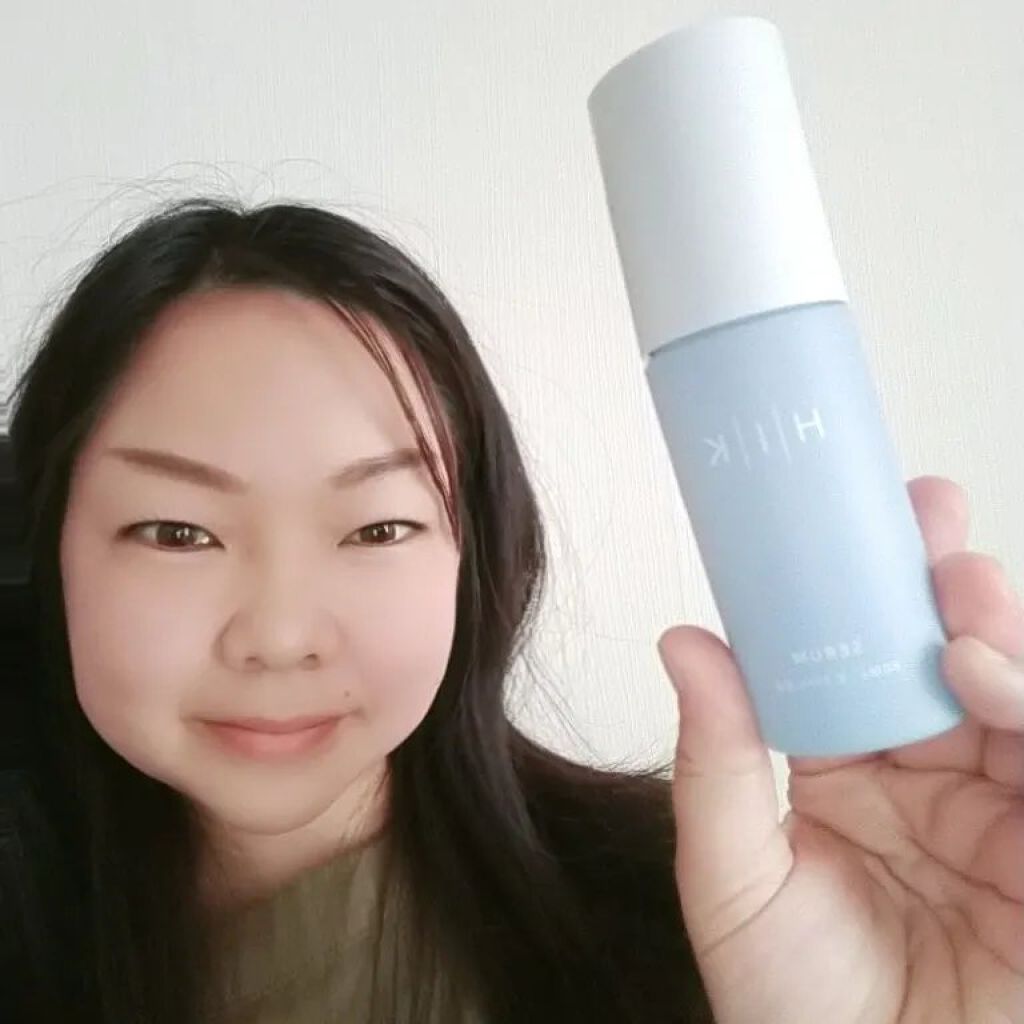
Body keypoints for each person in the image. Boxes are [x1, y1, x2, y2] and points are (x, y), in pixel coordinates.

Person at [1, 198, 1019, 1024]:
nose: (278, 636)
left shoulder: (706, 924)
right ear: (44, 547)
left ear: (476, 556)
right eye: (178, 532)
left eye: (377, 528)